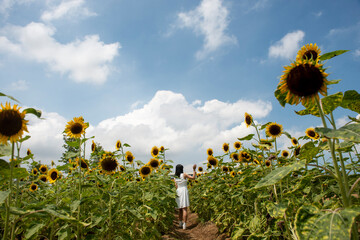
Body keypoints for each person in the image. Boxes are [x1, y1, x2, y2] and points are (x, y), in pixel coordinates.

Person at [174, 164, 196, 230]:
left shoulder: (175, 177)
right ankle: (184, 224)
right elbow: (193, 178)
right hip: (184, 190)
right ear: (182, 169)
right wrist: (194, 170)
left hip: (178, 191)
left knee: (180, 209)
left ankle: (180, 223)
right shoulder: (184, 175)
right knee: (184, 208)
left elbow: (176, 186)